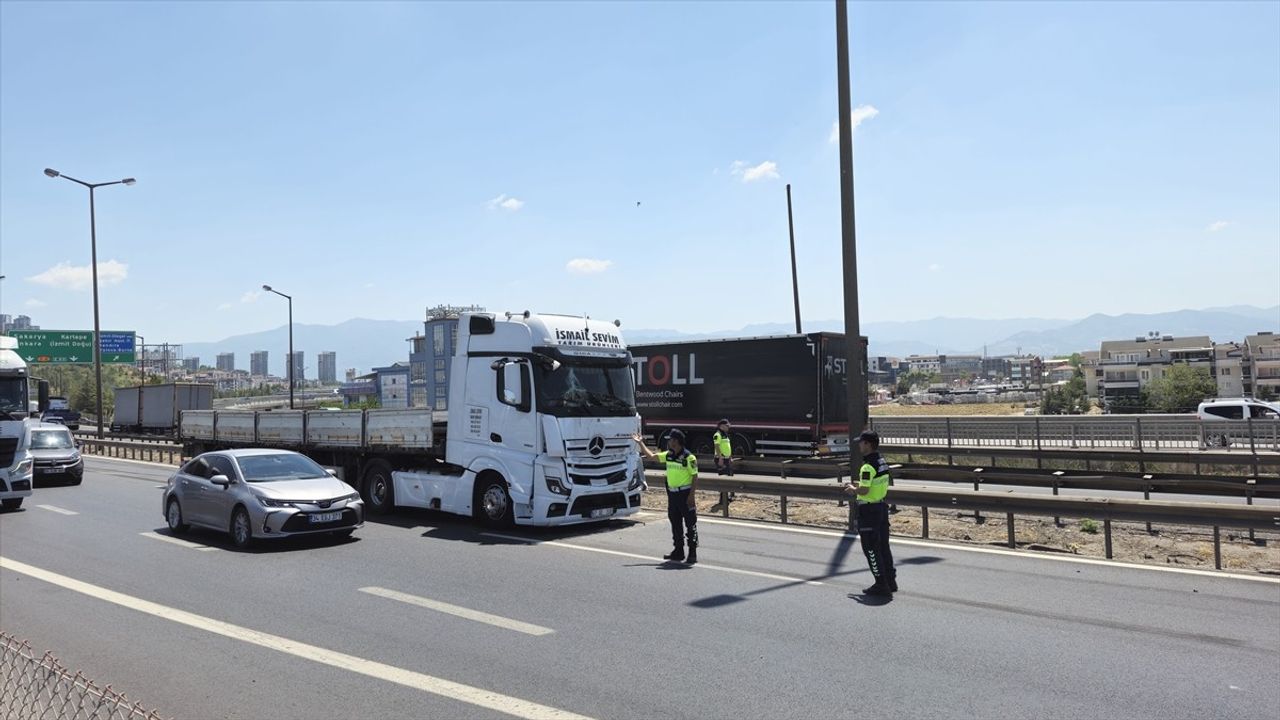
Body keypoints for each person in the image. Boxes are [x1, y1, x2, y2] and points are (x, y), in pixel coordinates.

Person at [842, 430, 897, 596]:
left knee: (871, 549)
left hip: (868, 510)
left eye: (861, 442)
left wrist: (853, 489)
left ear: (867, 444)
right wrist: (863, 485)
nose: (859, 445)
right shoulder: (881, 462)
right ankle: (890, 581)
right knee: (884, 547)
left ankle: (880, 584)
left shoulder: (867, 466)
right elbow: (874, 484)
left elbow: (864, 490)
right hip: (881, 508)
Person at [634, 429, 699, 564]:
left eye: (671, 440)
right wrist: (640, 444)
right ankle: (678, 551)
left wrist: (691, 496)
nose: (669, 442)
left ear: (677, 441)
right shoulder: (668, 455)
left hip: (685, 494)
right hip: (673, 494)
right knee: (675, 523)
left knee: (690, 524)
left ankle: (692, 552)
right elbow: (652, 456)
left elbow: (695, 477)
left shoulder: (689, 457)